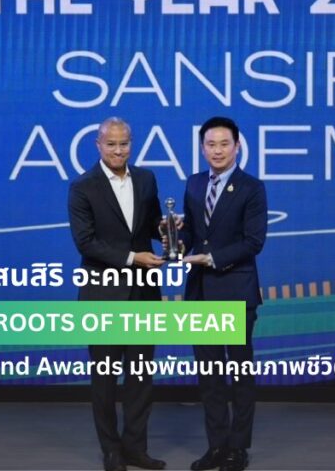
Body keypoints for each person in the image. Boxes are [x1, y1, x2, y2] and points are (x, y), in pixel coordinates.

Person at [67, 117, 167, 471]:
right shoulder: (83, 187)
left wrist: (167, 228)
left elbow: (152, 225)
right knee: (105, 381)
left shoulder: (146, 179)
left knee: (140, 378)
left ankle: (136, 448)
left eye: (124, 143)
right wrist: (132, 258)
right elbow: (86, 242)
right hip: (102, 296)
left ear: (131, 144)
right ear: (98, 145)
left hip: (143, 295)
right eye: (111, 144)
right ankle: (111, 450)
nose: (118, 150)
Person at [178, 117, 267, 471]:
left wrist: (212, 258)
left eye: (224, 144)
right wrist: (175, 239)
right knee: (210, 376)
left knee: (240, 375)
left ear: (237, 146)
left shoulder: (252, 187)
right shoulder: (194, 183)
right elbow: (191, 235)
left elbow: (253, 242)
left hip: (236, 293)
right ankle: (216, 446)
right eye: (211, 144)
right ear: (202, 148)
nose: (217, 151)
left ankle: (237, 449)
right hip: (200, 293)